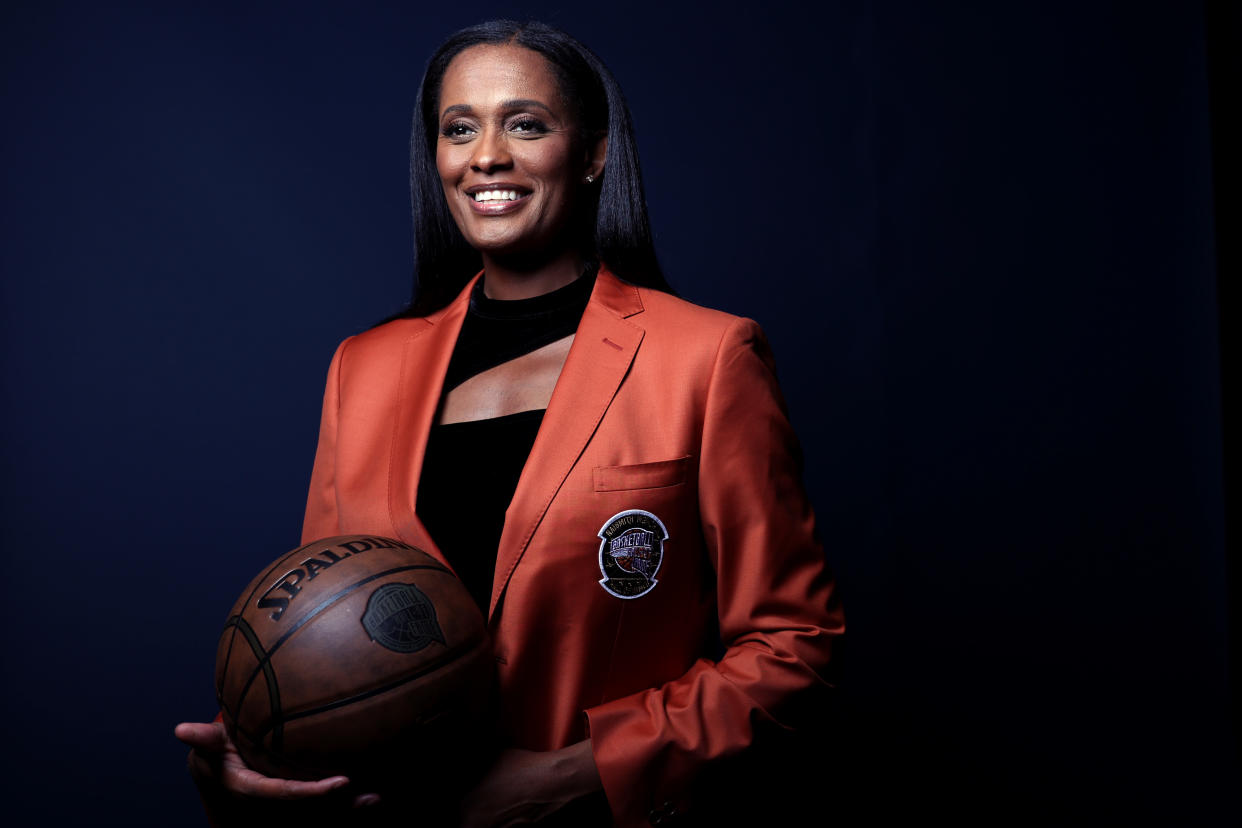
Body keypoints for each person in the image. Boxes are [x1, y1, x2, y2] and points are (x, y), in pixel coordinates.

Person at [177, 19, 844, 828]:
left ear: (594, 152)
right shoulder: (364, 367)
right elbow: (323, 629)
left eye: (525, 123)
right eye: (460, 129)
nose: (486, 156)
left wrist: (575, 775)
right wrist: (260, 762)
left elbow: (793, 645)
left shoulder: (706, 357)